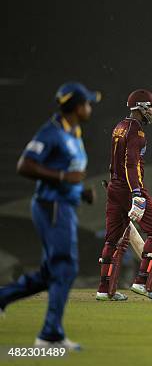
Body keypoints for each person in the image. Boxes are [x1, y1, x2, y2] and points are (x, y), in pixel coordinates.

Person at [0, 82, 100, 350]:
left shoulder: (74, 131)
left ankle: (2, 298)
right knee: (65, 267)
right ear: (78, 107)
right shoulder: (52, 132)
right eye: (88, 103)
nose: (90, 107)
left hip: (64, 205)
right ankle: (50, 334)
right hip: (52, 206)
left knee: (51, 271)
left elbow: (68, 174)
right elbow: (25, 165)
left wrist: (79, 192)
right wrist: (63, 178)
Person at [96, 89, 152, 301]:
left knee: (113, 239)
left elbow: (116, 161)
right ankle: (143, 283)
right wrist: (136, 193)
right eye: (149, 106)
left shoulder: (119, 126)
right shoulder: (136, 131)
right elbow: (131, 164)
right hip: (130, 188)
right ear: (139, 107)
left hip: (114, 186)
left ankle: (104, 289)